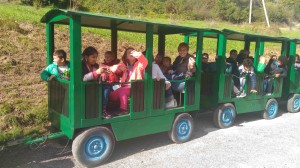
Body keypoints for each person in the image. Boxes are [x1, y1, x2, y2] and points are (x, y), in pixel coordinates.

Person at [109, 47, 148, 115]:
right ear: (126, 56)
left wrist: (138, 54)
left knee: (122, 91)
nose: (131, 53)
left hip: (135, 87)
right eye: (129, 52)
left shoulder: (139, 64)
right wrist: (118, 67)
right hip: (125, 86)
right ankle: (116, 107)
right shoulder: (124, 64)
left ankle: (124, 109)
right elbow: (112, 68)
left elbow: (145, 62)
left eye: (133, 52)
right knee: (112, 95)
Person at [99, 51, 122, 118]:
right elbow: (102, 70)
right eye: (106, 56)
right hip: (106, 83)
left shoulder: (116, 65)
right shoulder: (102, 65)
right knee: (106, 91)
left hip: (114, 83)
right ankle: (103, 109)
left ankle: (118, 107)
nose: (107, 58)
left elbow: (120, 72)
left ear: (113, 58)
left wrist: (115, 68)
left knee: (119, 90)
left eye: (109, 57)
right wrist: (109, 68)